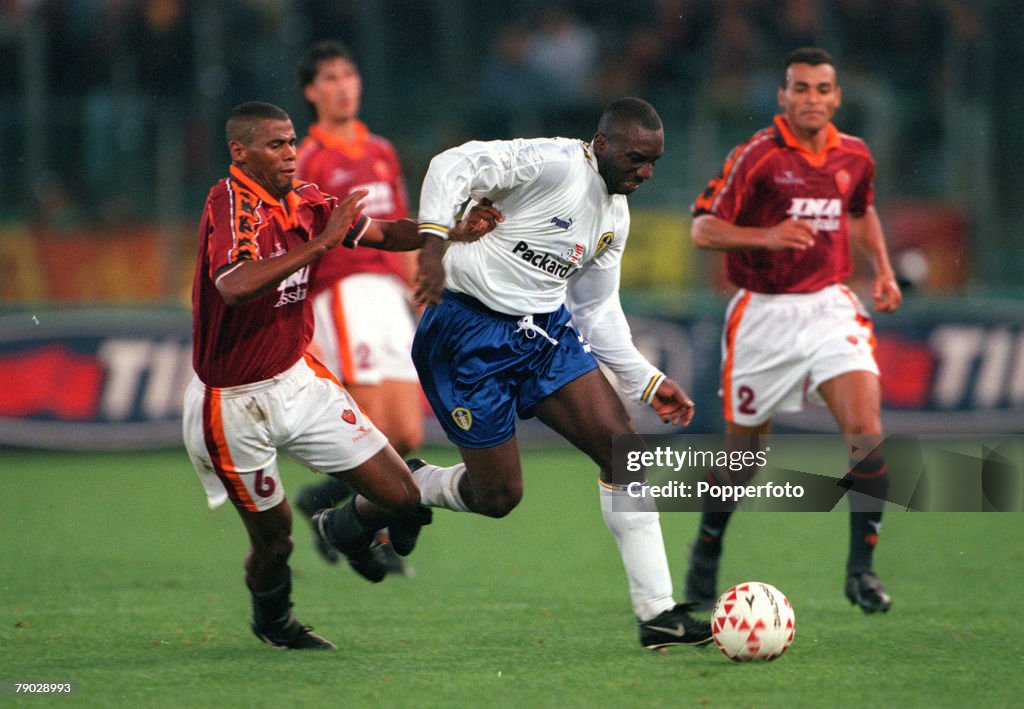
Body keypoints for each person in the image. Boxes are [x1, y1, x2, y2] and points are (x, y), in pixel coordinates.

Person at [406, 97, 713, 650]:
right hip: (465, 334)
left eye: (654, 163)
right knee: (498, 497)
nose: (645, 173)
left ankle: (658, 615)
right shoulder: (553, 164)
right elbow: (451, 164)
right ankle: (402, 487)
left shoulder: (615, 216)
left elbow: (596, 308)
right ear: (603, 144)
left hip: (542, 334)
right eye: (637, 159)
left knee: (626, 453)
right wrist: (432, 244)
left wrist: (646, 380)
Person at [183, 101, 490, 650]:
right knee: (275, 542)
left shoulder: (304, 200)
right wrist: (322, 244)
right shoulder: (228, 202)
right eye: (275, 144)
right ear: (239, 151)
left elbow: (382, 234)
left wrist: (450, 231)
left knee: (400, 495)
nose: (290, 153)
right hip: (231, 403)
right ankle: (275, 623)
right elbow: (234, 284)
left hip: (299, 380)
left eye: (291, 141)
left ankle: (343, 528)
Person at [684, 47, 902, 614]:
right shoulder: (757, 155)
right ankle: (706, 551)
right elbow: (704, 230)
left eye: (822, 89)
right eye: (800, 88)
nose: (812, 98)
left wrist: (882, 269)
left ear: (836, 96)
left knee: (866, 429)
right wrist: (767, 237)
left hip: (831, 306)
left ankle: (862, 570)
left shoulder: (855, 154)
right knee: (743, 460)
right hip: (763, 313)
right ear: (783, 96)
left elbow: (861, 210)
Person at [290, 41, 421, 573]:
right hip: (342, 296)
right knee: (368, 426)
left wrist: (419, 291)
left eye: (349, 73)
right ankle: (370, 539)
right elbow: (295, 241)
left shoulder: (383, 151)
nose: (343, 85)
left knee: (407, 433)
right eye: (329, 77)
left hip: (389, 294)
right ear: (311, 92)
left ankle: (324, 503)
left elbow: (402, 221)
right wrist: (303, 323)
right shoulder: (306, 159)